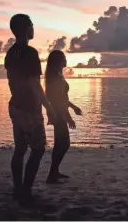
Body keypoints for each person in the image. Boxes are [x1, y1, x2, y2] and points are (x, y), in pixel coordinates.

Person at [4, 14, 56, 205]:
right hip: (29, 109)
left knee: (20, 149)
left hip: (15, 106)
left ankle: (18, 189)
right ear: (26, 28)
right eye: (32, 25)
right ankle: (25, 190)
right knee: (38, 149)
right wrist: (48, 107)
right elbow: (34, 83)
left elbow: (12, 81)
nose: (34, 29)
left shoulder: (10, 53)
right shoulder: (30, 53)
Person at [45, 50, 82, 184]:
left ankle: (54, 172)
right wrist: (68, 117)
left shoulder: (58, 75)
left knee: (59, 144)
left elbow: (63, 98)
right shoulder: (55, 77)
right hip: (58, 112)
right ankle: (52, 174)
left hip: (59, 111)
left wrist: (73, 107)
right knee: (64, 143)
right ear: (58, 61)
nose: (65, 59)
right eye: (63, 57)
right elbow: (58, 100)